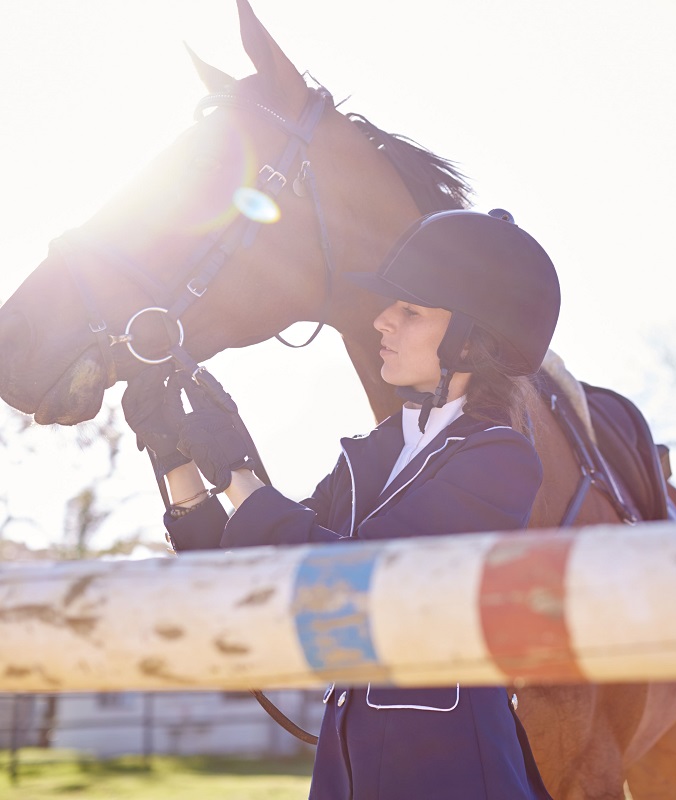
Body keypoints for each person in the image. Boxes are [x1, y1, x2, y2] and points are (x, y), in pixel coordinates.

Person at [122, 208, 559, 800]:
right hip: (346, 775)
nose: (382, 320)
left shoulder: (500, 459)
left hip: (452, 772)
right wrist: (176, 459)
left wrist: (239, 474)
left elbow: (360, 582)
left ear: (472, 338)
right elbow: (247, 573)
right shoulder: (370, 455)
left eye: (411, 311)